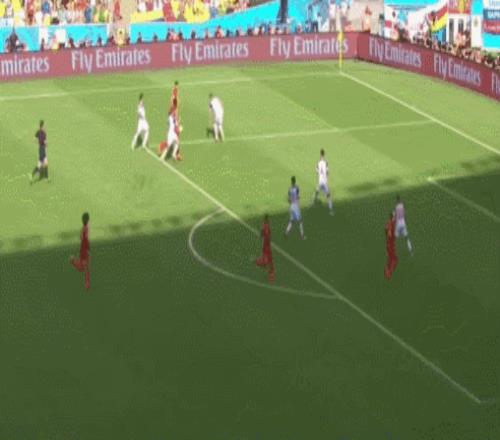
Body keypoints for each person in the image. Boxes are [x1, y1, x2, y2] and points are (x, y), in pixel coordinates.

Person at [70, 212, 91, 290]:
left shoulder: (84, 228)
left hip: (84, 248)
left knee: (84, 266)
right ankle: (87, 283)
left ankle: (73, 261)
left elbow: (81, 237)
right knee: (84, 267)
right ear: (88, 220)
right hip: (84, 249)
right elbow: (84, 238)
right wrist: (87, 247)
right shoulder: (85, 228)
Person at [311, 149, 334, 215]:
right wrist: (326, 179)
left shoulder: (318, 163)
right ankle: (331, 211)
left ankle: (312, 203)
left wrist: (319, 175)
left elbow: (316, 171)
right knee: (328, 196)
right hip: (324, 182)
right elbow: (327, 172)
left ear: (320, 155)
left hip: (320, 181)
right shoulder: (326, 163)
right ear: (324, 155)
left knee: (316, 192)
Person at [256, 214, 275, 282]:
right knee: (269, 258)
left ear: (264, 220)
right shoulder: (267, 226)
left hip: (266, 244)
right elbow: (268, 234)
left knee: (267, 257)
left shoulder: (264, 226)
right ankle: (270, 272)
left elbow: (263, 234)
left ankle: (265, 266)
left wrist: (261, 235)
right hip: (267, 244)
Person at [384, 212, 397, 279]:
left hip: (390, 244)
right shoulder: (391, 224)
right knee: (393, 260)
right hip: (390, 244)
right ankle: (388, 273)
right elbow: (388, 233)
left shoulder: (390, 223)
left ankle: (388, 272)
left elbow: (386, 230)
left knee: (392, 259)